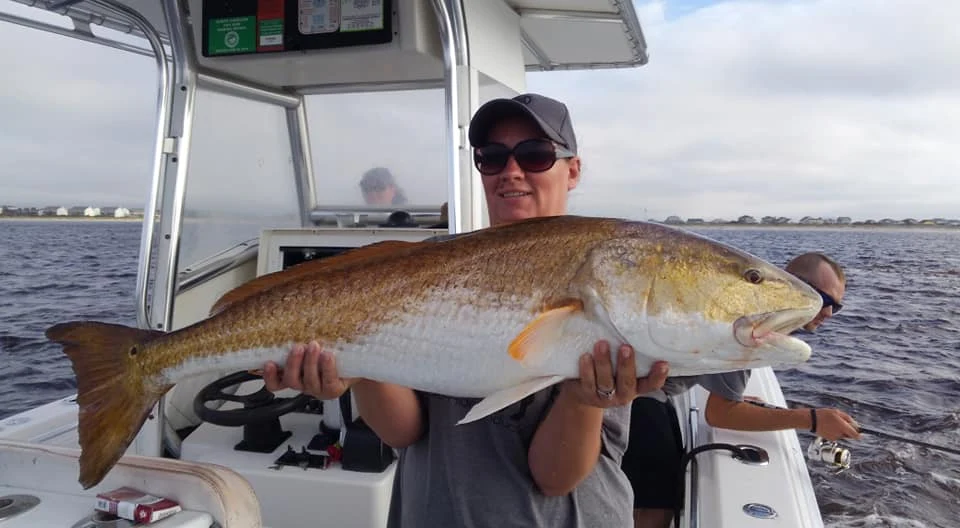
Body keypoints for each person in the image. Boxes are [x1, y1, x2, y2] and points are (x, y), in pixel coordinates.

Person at [262, 93, 671, 528]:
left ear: (572, 170)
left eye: (535, 155)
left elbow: (555, 478)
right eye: (492, 158)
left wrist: (584, 399)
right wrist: (356, 368)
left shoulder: (605, 274)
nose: (511, 172)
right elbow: (405, 432)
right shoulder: (430, 265)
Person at [623, 251, 861, 528]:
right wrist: (812, 420)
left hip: (646, 390)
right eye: (825, 300)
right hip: (638, 397)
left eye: (837, 306)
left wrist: (732, 396)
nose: (829, 313)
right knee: (658, 504)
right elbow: (720, 415)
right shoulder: (751, 324)